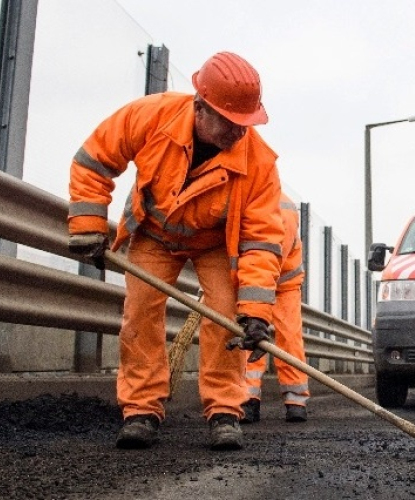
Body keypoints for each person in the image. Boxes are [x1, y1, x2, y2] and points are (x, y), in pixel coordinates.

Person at [67, 51, 285, 451]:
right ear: (199, 107)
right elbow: (92, 161)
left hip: (215, 244)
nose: (240, 132)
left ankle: (224, 411)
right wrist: (87, 226)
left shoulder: (259, 162)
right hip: (155, 234)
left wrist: (255, 313)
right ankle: (141, 410)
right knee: (140, 313)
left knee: (226, 318)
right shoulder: (151, 117)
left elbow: (261, 241)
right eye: (231, 122)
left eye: (246, 123)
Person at [241, 192, 310, 424]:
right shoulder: (250, 197)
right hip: (257, 277)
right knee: (251, 335)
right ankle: (248, 398)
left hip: (283, 282)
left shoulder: (278, 206)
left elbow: (270, 252)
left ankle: (295, 400)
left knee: (288, 338)